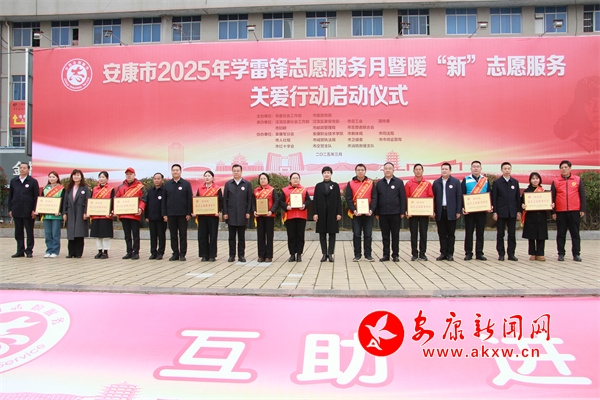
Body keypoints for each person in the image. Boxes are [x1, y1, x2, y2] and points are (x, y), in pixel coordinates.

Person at [551, 160, 586, 262]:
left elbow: (582, 195)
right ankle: (561, 254)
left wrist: (582, 209)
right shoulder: (556, 181)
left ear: (570, 168)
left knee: (575, 233)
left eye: (565, 167)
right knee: (561, 234)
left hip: (574, 210)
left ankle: (576, 254)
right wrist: (553, 212)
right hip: (560, 211)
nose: (563, 169)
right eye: (562, 167)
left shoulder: (577, 179)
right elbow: (552, 197)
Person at [345, 164, 377, 262]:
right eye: (358, 170)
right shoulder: (350, 183)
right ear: (355, 171)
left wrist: (371, 210)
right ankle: (357, 255)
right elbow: (348, 198)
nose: (360, 171)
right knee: (357, 235)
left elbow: (374, 198)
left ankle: (368, 255)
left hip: (368, 214)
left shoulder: (370, 183)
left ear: (365, 171)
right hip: (356, 214)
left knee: (368, 235)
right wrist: (354, 210)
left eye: (362, 170)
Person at [375, 162, 406, 262]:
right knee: (385, 235)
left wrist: (402, 211)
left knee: (395, 235)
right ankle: (386, 255)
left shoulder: (399, 182)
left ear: (393, 170)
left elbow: (402, 198)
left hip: (395, 213)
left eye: (390, 168)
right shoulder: (379, 183)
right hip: (383, 213)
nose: (388, 170)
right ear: (383, 170)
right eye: (386, 168)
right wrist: (377, 213)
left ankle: (395, 255)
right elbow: (376, 199)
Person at [162, 164, 193, 261]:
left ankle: (182, 254)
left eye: (177, 170)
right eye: (173, 170)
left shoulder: (186, 184)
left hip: (183, 214)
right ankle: (175, 253)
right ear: (171, 171)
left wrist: (188, 213)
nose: (175, 172)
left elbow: (189, 199)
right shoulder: (167, 185)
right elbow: (164, 201)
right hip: (170, 214)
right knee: (173, 235)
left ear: (180, 171)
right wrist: (164, 214)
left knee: (183, 235)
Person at [223, 164, 253, 263]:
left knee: (241, 237)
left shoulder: (247, 184)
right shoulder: (228, 184)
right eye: (234, 171)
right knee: (231, 237)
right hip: (231, 214)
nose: (236, 172)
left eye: (238, 171)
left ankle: (241, 255)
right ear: (232, 172)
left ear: (241, 172)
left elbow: (249, 199)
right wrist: (225, 212)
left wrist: (248, 211)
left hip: (242, 214)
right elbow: (225, 199)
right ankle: (232, 255)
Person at [461, 161, 491, 261]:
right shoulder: (466, 179)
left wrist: (489, 205)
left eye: (478, 167)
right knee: (469, 232)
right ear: (471, 168)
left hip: (481, 210)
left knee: (480, 232)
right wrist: (463, 207)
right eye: (474, 167)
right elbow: (462, 194)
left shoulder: (485, 180)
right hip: (469, 211)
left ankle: (479, 253)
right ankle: (468, 253)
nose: (476, 168)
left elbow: (489, 193)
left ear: (481, 168)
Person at [491, 162, 521, 261]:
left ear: (511, 169)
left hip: (512, 212)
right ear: (502, 170)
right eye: (505, 168)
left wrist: (518, 211)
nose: (507, 170)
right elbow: (494, 198)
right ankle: (501, 253)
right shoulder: (497, 183)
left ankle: (511, 254)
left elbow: (518, 198)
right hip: (501, 212)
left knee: (512, 234)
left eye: (508, 168)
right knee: (500, 234)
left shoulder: (515, 182)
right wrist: (495, 212)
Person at [115, 167, 147, 260]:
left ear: (134, 175)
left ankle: (136, 252)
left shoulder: (140, 187)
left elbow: (143, 199)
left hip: (134, 215)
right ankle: (129, 252)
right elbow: (117, 199)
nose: (129, 176)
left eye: (131, 174)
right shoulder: (120, 187)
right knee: (127, 234)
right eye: (127, 174)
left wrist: (140, 208)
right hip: (124, 215)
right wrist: (116, 210)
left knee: (135, 234)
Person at [8, 162, 39, 258]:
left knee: (29, 232)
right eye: (21, 168)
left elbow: (36, 197)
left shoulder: (33, 181)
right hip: (16, 210)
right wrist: (10, 209)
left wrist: (34, 210)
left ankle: (29, 251)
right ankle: (20, 250)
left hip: (28, 211)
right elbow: (10, 196)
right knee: (18, 232)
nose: (22, 169)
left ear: (28, 169)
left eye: (24, 168)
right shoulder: (14, 181)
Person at [432, 163, 462, 261]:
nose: (444, 171)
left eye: (446, 169)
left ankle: (450, 254)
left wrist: (458, 211)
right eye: (443, 169)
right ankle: (443, 253)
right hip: (440, 211)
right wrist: (433, 211)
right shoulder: (436, 182)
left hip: (451, 211)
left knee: (451, 233)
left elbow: (459, 197)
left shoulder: (456, 182)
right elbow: (433, 198)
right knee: (441, 233)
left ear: (450, 171)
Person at [405, 164, 434, 261]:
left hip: (424, 212)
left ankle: (422, 254)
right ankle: (414, 254)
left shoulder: (427, 183)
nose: (418, 171)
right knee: (413, 233)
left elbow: (431, 196)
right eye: (416, 169)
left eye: (419, 169)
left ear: (422, 171)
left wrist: (431, 210)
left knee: (423, 233)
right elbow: (406, 197)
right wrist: (407, 210)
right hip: (412, 212)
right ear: (413, 171)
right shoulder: (409, 183)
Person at [312, 167, 342, 262]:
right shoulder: (318, 186)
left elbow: (338, 200)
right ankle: (324, 254)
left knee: (332, 233)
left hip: (332, 213)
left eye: (328, 172)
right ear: (322, 174)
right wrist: (315, 213)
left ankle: (330, 254)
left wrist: (339, 213)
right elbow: (315, 200)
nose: (326, 174)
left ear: (331, 174)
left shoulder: (335, 185)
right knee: (322, 234)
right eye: (325, 172)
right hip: (321, 213)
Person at [280, 172, 311, 262]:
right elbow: (281, 201)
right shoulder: (285, 190)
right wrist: (286, 207)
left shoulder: (304, 190)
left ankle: (299, 254)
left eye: (297, 178)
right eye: (293, 178)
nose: (295, 179)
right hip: (290, 215)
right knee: (291, 235)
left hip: (301, 215)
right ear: (290, 180)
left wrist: (304, 205)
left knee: (300, 235)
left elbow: (308, 200)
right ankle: (292, 254)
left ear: (299, 179)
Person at [62, 169, 91, 258]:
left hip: (80, 212)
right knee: (71, 233)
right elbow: (65, 201)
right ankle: (71, 252)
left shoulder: (85, 188)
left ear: (81, 177)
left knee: (79, 232)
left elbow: (88, 201)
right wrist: (64, 213)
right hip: (70, 212)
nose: (76, 177)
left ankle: (78, 253)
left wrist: (86, 212)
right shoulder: (69, 188)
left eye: (78, 175)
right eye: (74, 175)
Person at [195, 170, 222, 262]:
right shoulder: (200, 189)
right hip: (202, 216)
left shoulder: (217, 188)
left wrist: (219, 211)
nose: (207, 177)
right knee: (202, 235)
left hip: (213, 216)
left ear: (213, 178)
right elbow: (196, 201)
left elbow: (220, 201)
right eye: (205, 176)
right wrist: (195, 211)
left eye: (209, 176)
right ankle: (204, 255)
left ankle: (212, 255)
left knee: (213, 235)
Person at [521, 172, 549, 261]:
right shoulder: (526, 191)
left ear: (540, 180)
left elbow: (548, 203)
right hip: (530, 216)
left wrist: (551, 205)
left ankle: (540, 253)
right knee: (531, 236)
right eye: (533, 179)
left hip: (541, 216)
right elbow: (521, 202)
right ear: (530, 180)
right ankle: (532, 253)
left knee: (541, 235)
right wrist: (522, 206)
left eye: (537, 178)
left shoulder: (543, 191)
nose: (535, 180)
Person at [37, 171, 64, 258]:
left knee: (55, 234)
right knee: (48, 234)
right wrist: (40, 210)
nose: (52, 179)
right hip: (46, 215)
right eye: (50, 177)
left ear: (57, 178)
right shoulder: (45, 188)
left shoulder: (61, 188)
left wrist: (60, 211)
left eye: (53, 177)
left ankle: (55, 251)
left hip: (56, 215)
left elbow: (63, 201)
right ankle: (49, 250)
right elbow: (42, 200)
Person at [254, 173, 279, 262]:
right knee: (260, 236)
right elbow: (253, 202)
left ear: (268, 180)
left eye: (264, 178)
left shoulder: (272, 190)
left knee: (269, 236)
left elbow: (276, 201)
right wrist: (254, 211)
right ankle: (261, 255)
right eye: (261, 178)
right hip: (259, 216)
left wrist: (271, 211)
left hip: (269, 216)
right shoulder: (256, 190)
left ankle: (269, 256)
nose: (263, 180)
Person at [90, 171, 114, 259]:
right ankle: (99, 251)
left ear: (107, 179)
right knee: (97, 234)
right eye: (100, 177)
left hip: (106, 215)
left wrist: (111, 212)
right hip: (96, 215)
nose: (101, 179)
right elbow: (91, 201)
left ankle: (105, 252)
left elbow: (112, 202)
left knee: (105, 234)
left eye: (103, 177)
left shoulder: (111, 189)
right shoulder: (94, 189)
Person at [145, 172, 167, 260]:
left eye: (158, 179)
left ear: (162, 180)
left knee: (161, 236)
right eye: (155, 179)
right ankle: (153, 252)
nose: (156, 180)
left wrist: (165, 215)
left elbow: (166, 204)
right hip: (151, 217)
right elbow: (147, 204)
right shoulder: (150, 191)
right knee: (153, 236)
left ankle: (160, 252)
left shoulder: (165, 190)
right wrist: (146, 216)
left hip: (161, 218)